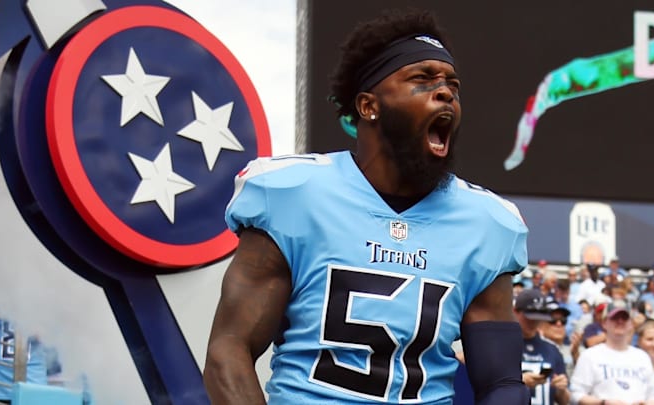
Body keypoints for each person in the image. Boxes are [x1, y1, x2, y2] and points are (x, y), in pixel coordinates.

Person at [203, 9, 530, 405]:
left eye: (451, 85)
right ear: (368, 105)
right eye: (422, 79)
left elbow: (501, 384)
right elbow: (229, 350)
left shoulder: (487, 223)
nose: (445, 91)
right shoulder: (294, 194)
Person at [570, 300, 654, 404]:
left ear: (631, 323)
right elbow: (576, 395)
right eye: (614, 318)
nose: (620, 321)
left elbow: (653, 395)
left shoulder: (642, 357)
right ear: (604, 323)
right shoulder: (590, 355)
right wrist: (603, 403)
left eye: (624, 318)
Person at [514, 290, 571, 405]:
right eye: (529, 317)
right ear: (515, 312)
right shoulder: (501, 347)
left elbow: (565, 400)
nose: (533, 322)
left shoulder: (552, 349)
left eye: (538, 317)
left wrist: (561, 389)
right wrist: (518, 383)